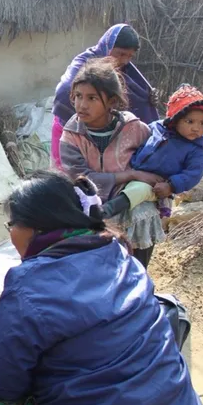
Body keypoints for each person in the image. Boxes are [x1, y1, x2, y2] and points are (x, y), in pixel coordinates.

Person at [0, 171, 203, 405]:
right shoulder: (121, 256)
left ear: (34, 228)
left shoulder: (29, 284)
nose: (11, 234)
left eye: (11, 225)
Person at [59, 58, 164, 269]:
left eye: (92, 98)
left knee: (143, 213)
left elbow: (157, 165)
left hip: (132, 203)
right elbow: (82, 180)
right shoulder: (71, 137)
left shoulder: (134, 129)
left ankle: (138, 275)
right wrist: (131, 174)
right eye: (78, 96)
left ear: (112, 102)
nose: (82, 104)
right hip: (90, 205)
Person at [51, 24, 159, 168]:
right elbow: (64, 91)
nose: (125, 61)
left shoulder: (125, 72)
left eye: (130, 56)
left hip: (105, 138)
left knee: (101, 174)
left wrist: (147, 98)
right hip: (71, 131)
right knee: (67, 175)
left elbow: (133, 99)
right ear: (108, 46)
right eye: (121, 54)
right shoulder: (84, 66)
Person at [103, 83, 203, 220]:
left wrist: (170, 186)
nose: (196, 128)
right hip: (133, 171)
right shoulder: (157, 128)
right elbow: (137, 141)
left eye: (202, 123)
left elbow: (193, 174)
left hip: (156, 184)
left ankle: (107, 210)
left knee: (138, 190)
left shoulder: (197, 149)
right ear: (175, 119)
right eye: (190, 121)